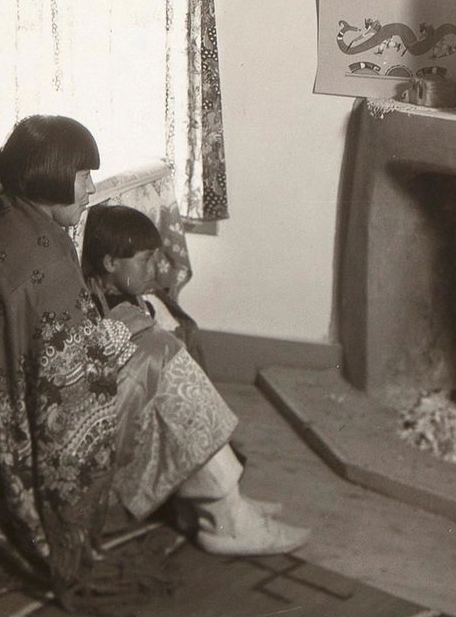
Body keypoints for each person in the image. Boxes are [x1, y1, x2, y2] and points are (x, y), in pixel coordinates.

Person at [0, 115, 307, 611]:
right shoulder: (41, 256)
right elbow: (70, 381)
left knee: (149, 343)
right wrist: (121, 335)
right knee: (161, 355)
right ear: (49, 175)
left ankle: (221, 497)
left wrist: (115, 334)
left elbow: (43, 348)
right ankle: (225, 512)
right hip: (3, 448)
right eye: (82, 175)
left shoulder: (4, 220)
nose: (90, 188)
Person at [80, 203, 306, 545]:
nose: (155, 269)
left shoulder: (123, 294)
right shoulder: (88, 300)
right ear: (111, 264)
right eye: (145, 260)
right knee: (170, 369)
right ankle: (226, 517)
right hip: (103, 420)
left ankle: (225, 502)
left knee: (172, 360)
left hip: (127, 395)